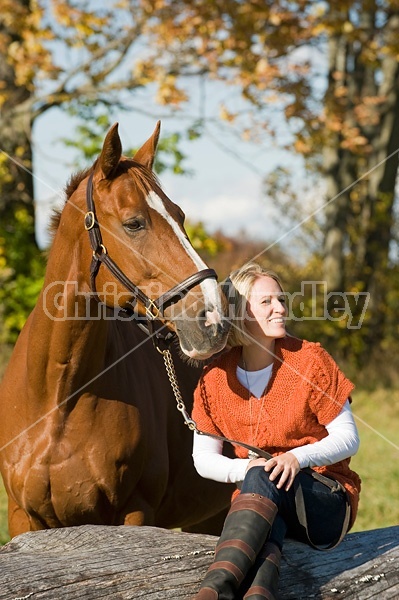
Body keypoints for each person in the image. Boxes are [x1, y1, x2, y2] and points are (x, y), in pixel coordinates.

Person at [191, 262, 361, 600]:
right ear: (240, 313)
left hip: (325, 500)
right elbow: (201, 458)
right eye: (266, 302)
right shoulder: (214, 378)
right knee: (266, 509)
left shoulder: (310, 360)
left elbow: (349, 438)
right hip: (264, 502)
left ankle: (215, 588)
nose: (280, 308)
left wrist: (296, 458)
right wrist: (244, 468)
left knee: (263, 478)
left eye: (280, 299)